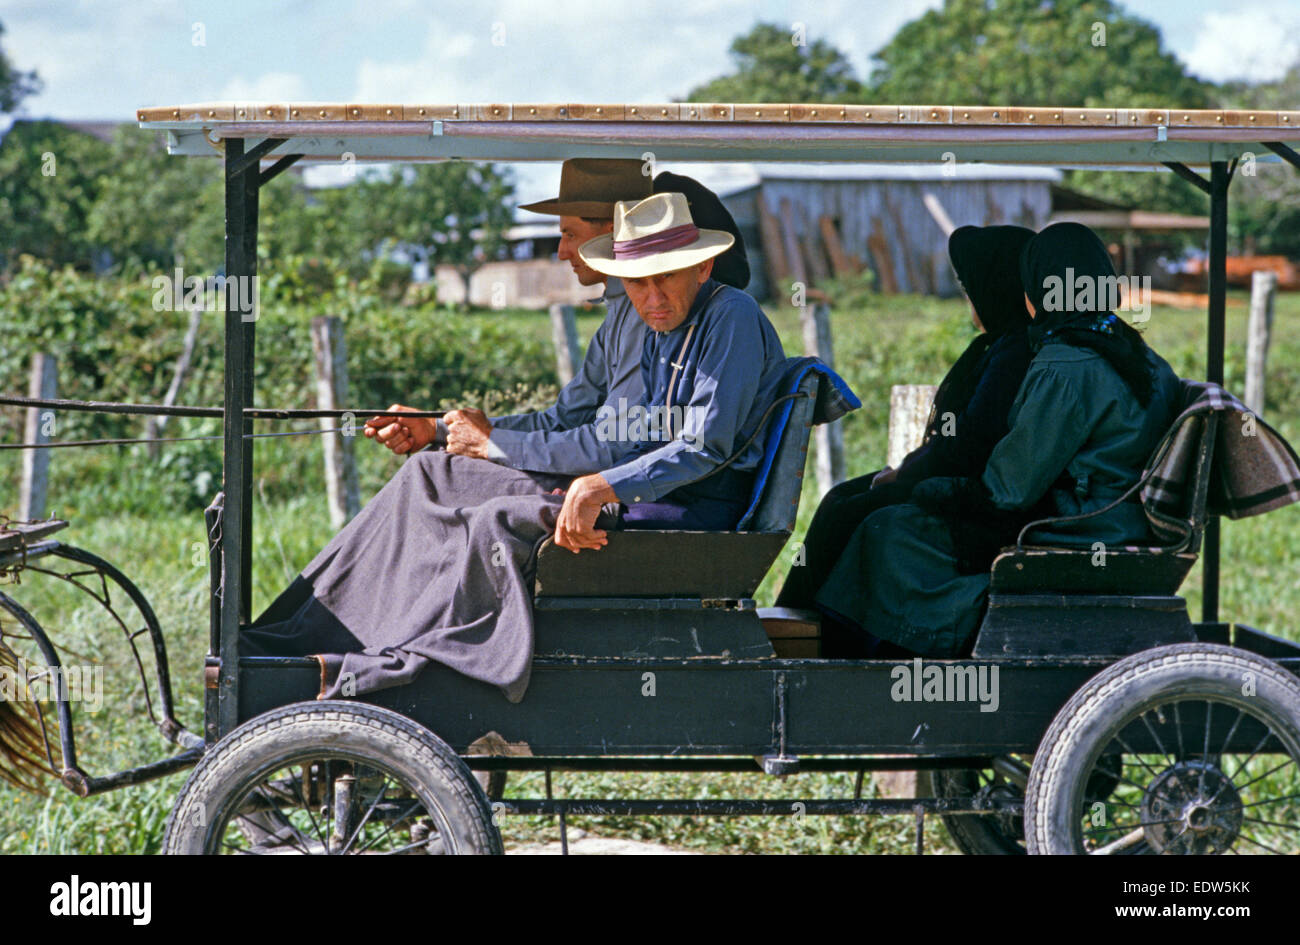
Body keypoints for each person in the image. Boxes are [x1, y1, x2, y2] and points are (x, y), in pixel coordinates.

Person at [243, 192, 788, 703]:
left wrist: (601, 485)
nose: (649, 298)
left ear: (703, 266)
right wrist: (447, 432)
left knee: (496, 521)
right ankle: (297, 638)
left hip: (685, 507)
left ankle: (401, 665)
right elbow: (595, 428)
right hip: (630, 488)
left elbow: (703, 447)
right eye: (637, 283)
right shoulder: (652, 320)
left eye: (663, 279)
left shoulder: (730, 317)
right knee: (432, 474)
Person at [815, 222, 1183, 659]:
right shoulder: (1144, 356)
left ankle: (890, 660)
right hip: (1124, 522)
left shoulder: (1064, 365)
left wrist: (940, 491)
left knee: (889, 529)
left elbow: (1010, 489)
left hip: (1077, 529)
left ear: (1035, 293)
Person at [776, 224, 1035, 612]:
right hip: (958, 480)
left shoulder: (1014, 354)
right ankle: (796, 623)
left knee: (850, 512)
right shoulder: (1001, 346)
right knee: (840, 497)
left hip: (976, 499)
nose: (970, 302)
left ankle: (817, 630)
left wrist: (905, 475)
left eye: (971, 291)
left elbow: (966, 447)